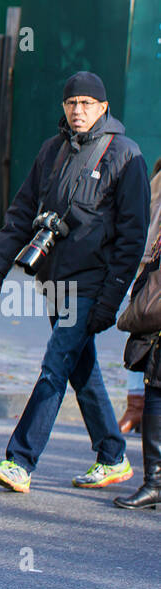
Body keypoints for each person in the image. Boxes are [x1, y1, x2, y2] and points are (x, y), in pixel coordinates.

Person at [0, 71, 149, 494]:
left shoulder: (125, 155)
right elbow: (21, 212)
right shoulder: (52, 151)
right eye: (71, 103)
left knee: (55, 367)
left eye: (87, 104)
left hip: (92, 285)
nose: (78, 111)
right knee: (81, 369)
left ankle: (20, 460)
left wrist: (109, 302)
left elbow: (132, 239)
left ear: (104, 107)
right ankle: (112, 455)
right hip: (55, 282)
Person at [118, 156, 161, 435]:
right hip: (151, 271)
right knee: (140, 336)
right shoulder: (157, 176)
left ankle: (138, 409)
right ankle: (135, 406)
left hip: (150, 269)